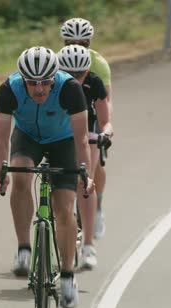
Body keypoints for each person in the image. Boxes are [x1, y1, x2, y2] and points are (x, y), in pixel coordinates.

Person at [0, 46, 94, 308]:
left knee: (64, 209)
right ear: (22, 80)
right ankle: (24, 248)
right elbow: (1, 140)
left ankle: (69, 276)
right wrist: (0, 173)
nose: (39, 89)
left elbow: (82, 140)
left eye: (45, 82)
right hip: (27, 139)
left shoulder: (70, 88)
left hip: (64, 142)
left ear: (54, 78)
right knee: (20, 177)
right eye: (32, 83)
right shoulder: (8, 89)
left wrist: (86, 173)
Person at [57, 44, 113, 269]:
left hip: (86, 133)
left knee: (85, 183)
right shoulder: (51, 84)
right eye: (69, 74)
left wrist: (104, 135)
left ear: (88, 71)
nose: (76, 79)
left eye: (80, 74)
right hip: (58, 133)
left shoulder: (95, 83)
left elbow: (105, 120)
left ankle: (88, 244)